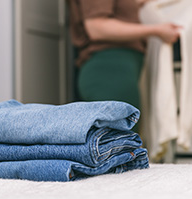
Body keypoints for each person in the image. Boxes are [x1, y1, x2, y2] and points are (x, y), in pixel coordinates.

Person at [68, 0, 180, 131]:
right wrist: (157, 30)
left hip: (115, 74)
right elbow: (96, 26)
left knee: (122, 144)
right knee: (119, 146)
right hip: (108, 72)